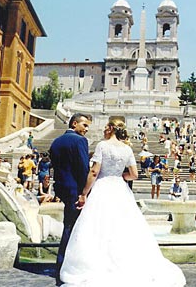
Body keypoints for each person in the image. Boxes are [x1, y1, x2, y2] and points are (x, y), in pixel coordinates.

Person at [60, 119, 186, 286]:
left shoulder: (102, 146)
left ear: (111, 128)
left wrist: (84, 192)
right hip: (120, 188)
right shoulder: (126, 149)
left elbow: (94, 171)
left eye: (106, 127)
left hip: (103, 187)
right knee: (123, 225)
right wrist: (120, 176)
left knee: (99, 226)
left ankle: (100, 262)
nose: (104, 129)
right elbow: (134, 174)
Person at [50, 113, 91, 286]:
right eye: (84, 125)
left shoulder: (56, 141)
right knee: (72, 227)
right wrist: (85, 192)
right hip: (76, 190)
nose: (86, 129)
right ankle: (65, 264)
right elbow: (83, 168)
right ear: (75, 123)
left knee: (70, 225)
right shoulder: (79, 141)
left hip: (63, 188)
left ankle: (63, 263)